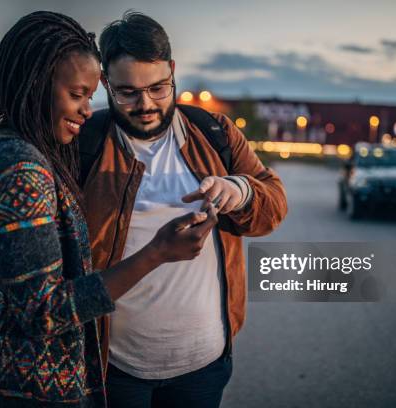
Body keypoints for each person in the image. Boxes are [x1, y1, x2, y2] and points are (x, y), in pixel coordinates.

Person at [0, 11, 217, 408]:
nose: (88, 111)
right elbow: (44, 314)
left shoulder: (6, 145)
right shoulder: (20, 168)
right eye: (76, 94)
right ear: (36, 86)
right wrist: (158, 253)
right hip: (17, 392)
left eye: (90, 97)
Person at [79, 11, 288, 408]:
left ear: (173, 71)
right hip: (114, 369)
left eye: (159, 88)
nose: (146, 104)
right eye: (127, 92)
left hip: (205, 365)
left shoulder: (216, 133)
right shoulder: (83, 147)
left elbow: (274, 202)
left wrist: (238, 190)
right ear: (105, 82)